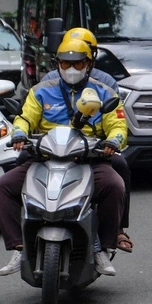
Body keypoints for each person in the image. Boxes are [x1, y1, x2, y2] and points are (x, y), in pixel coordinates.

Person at [0, 39, 128, 277]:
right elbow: (25, 118)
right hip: (45, 156)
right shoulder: (41, 91)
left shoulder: (104, 92)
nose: (71, 69)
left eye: (78, 63)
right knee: (4, 186)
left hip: (88, 158)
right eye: (65, 63)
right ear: (57, 64)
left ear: (89, 63)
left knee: (114, 185)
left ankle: (103, 248)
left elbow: (118, 125)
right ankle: (19, 247)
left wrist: (113, 142)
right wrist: (19, 133)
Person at [39, 27, 132, 244]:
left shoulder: (105, 84)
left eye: (80, 57)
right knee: (16, 170)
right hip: (53, 148)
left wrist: (111, 141)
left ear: (91, 58)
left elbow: (114, 119)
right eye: (66, 59)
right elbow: (29, 116)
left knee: (120, 169)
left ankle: (116, 229)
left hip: (93, 148)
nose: (72, 63)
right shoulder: (49, 82)